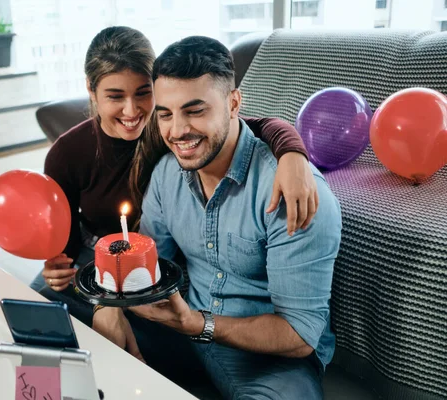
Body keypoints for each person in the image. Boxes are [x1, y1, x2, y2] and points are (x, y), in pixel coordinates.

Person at [92, 36, 342, 399]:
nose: (177, 131)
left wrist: (197, 323)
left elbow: (300, 335)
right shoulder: (166, 172)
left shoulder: (292, 192)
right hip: (181, 328)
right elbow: (147, 264)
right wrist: (109, 306)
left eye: (195, 111)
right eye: (165, 114)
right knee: (71, 325)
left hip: (270, 358)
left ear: (234, 102)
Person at [30, 26, 319, 329]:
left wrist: (292, 154)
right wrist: (60, 267)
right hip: (96, 251)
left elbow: (248, 124)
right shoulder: (67, 152)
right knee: (39, 308)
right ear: (91, 89)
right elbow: (65, 242)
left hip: (159, 254)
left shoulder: (170, 127)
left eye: (144, 94)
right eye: (115, 96)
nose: (132, 111)